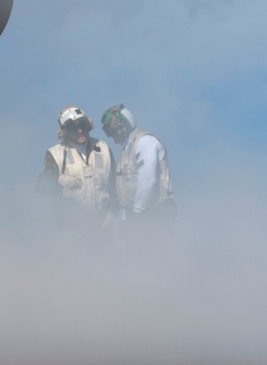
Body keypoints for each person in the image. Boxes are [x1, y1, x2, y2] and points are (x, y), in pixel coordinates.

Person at [36, 105, 115, 255]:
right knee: (70, 274)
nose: (80, 131)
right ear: (64, 131)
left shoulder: (103, 149)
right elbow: (41, 186)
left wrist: (111, 217)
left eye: (82, 126)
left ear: (88, 125)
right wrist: (59, 181)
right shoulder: (56, 154)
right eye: (73, 128)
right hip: (71, 230)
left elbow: (115, 187)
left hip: (102, 228)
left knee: (107, 274)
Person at [101, 105, 176, 257]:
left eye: (112, 131)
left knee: (153, 260)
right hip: (139, 214)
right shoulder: (127, 149)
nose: (111, 136)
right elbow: (127, 188)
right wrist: (125, 217)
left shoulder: (144, 141)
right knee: (136, 262)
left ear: (122, 127)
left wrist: (135, 214)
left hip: (155, 214)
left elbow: (148, 180)